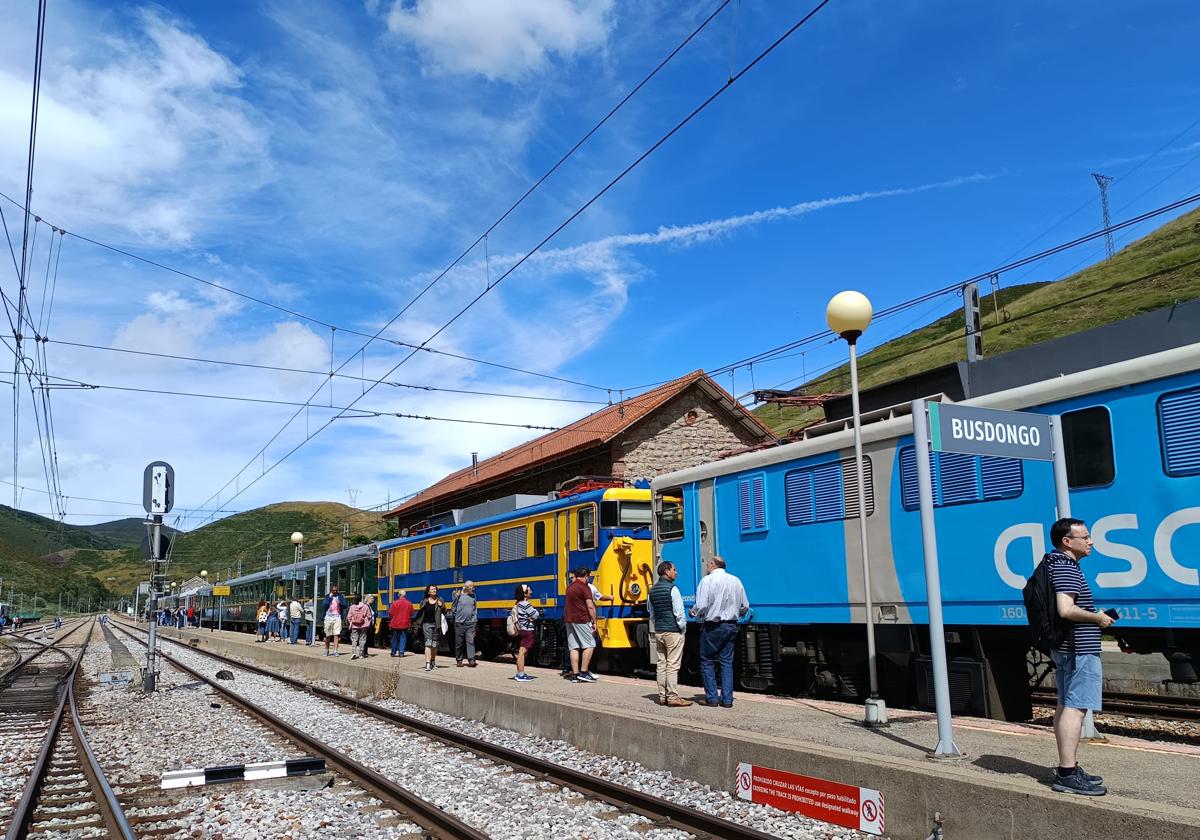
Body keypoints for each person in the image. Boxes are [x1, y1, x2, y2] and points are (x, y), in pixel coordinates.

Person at [1047, 517, 1113, 796]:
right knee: (1076, 708)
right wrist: (1097, 618)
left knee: (1065, 705)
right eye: (1084, 537)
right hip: (1078, 648)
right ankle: (1066, 774)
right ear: (1067, 541)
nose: (1090, 541)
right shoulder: (1066, 567)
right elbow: (1066, 608)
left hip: (1066, 647)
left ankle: (1069, 767)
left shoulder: (1053, 563)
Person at [691, 555, 749, 708]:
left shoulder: (707, 580)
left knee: (707, 660)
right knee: (726, 662)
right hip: (731, 625)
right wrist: (738, 614)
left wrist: (695, 614)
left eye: (708, 563)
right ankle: (727, 700)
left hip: (713, 627)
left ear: (712, 565)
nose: (706, 566)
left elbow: (702, 605)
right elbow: (745, 606)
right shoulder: (736, 580)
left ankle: (712, 698)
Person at [648, 560, 692, 707]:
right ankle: (672, 697)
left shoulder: (652, 591)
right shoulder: (673, 589)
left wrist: (658, 626)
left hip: (659, 631)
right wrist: (682, 628)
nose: (676, 572)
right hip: (673, 631)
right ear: (667, 571)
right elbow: (679, 613)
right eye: (674, 569)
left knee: (661, 664)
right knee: (672, 665)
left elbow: (652, 614)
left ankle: (662, 696)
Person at [564, 567, 598, 683]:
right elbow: (590, 606)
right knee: (590, 644)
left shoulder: (570, 587)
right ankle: (583, 672)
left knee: (574, 647)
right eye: (588, 576)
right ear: (586, 576)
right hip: (581, 619)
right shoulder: (584, 587)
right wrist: (594, 621)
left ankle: (575, 674)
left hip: (569, 620)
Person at [414, 585, 448, 672]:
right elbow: (420, 613)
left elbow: (445, 612)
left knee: (434, 644)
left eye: (435, 589)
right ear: (428, 592)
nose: (434, 590)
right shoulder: (424, 601)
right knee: (428, 643)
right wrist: (417, 624)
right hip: (427, 624)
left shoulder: (440, 600)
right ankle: (428, 663)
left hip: (437, 625)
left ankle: (433, 660)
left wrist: (442, 606)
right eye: (432, 589)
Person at [511, 584, 539, 682]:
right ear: (525, 593)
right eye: (529, 590)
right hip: (527, 630)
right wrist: (533, 610)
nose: (531, 591)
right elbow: (535, 615)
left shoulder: (519, 603)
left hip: (523, 629)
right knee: (522, 652)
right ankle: (520, 674)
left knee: (522, 651)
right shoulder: (525, 604)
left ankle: (520, 673)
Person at [452, 581, 478, 667]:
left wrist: (475, 620)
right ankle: (459, 660)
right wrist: (456, 617)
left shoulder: (473, 596)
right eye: (471, 586)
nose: (473, 588)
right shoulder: (458, 596)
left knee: (470, 641)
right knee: (459, 643)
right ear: (466, 587)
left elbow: (475, 609)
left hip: (470, 623)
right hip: (459, 623)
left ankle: (471, 660)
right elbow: (453, 607)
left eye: (473, 586)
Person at [322, 586, 349, 657]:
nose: (335, 592)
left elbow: (345, 605)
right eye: (333, 590)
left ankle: (335, 650)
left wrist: (339, 602)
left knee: (336, 634)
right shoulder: (327, 596)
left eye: (336, 591)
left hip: (337, 617)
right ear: (331, 591)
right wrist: (329, 598)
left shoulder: (340, 597)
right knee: (327, 635)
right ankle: (326, 649)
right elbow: (324, 605)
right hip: (328, 617)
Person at [348, 594, 374, 660]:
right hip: (363, 625)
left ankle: (353, 653)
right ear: (361, 599)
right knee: (362, 639)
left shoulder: (352, 607)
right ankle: (361, 654)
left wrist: (351, 622)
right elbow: (369, 616)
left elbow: (349, 617)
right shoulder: (365, 606)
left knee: (354, 639)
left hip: (354, 625)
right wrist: (367, 622)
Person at [388, 590, 413, 657]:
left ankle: (393, 652)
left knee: (394, 639)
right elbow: (411, 613)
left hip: (395, 623)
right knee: (403, 638)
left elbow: (390, 613)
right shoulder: (409, 603)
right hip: (404, 623)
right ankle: (401, 653)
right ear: (405, 595)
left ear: (399, 595)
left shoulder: (394, 603)